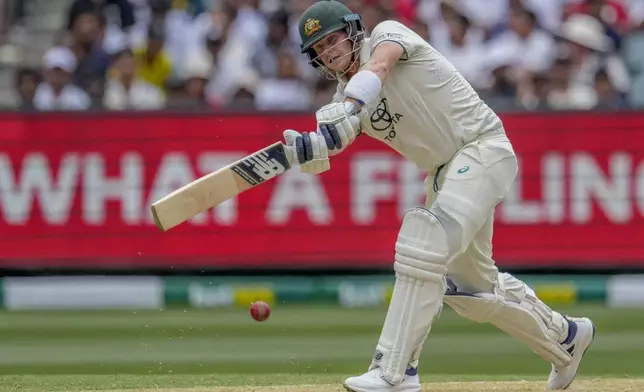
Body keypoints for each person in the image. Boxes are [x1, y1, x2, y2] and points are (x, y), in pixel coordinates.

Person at [283, 1, 596, 391]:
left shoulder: (386, 36)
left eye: (332, 39)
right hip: (446, 174)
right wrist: (309, 150)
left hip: (483, 149)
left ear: (352, 31)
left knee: (423, 240)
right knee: (471, 291)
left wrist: (345, 111)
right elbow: (333, 143)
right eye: (319, 48)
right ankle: (565, 337)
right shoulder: (344, 99)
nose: (329, 51)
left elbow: (379, 68)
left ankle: (394, 371)